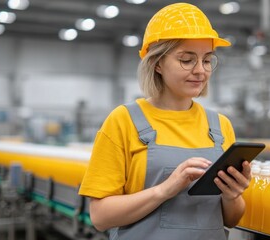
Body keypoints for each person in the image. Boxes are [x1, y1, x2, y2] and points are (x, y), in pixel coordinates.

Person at [78, 3, 251, 240]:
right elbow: (100, 217)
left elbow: (231, 219)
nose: (200, 70)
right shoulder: (124, 120)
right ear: (157, 63)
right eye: (187, 60)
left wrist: (233, 195)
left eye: (207, 60)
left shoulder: (220, 126)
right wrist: (164, 190)